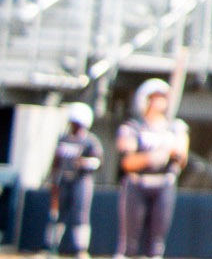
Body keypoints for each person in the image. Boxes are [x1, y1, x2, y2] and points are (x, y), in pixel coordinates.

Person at [115, 78, 187, 259]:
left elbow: (181, 159)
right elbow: (127, 163)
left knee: (156, 244)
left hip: (163, 184)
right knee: (130, 243)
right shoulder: (133, 127)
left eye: (162, 97)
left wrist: (175, 150)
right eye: (155, 97)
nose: (159, 102)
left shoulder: (175, 128)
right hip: (138, 184)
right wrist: (152, 157)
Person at [43, 103, 102, 259]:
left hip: (81, 180)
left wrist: (84, 162)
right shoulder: (64, 138)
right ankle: (51, 247)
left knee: (80, 215)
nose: (74, 126)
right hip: (64, 180)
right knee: (57, 214)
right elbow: (56, 160)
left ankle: (80, 250)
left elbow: (98, 162)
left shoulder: (90, 141)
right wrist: (52, 179)